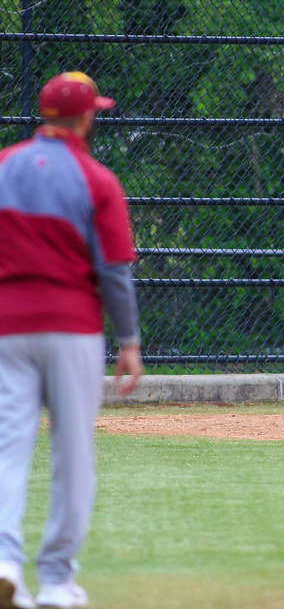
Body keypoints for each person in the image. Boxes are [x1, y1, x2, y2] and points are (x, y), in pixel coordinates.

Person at [0, 71, 144, 609]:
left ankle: (4, 561)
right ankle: (58, 580)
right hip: (72, 327)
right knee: (73, 453)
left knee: (7, 447)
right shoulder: (96, 179)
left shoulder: (5, 165)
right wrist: (128, 340)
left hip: (7, 324)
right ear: (85, 118)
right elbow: (113, 270)